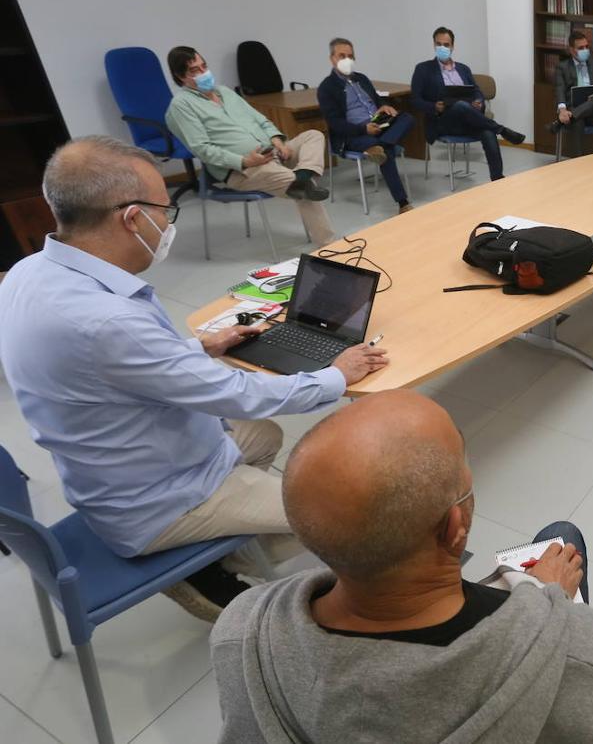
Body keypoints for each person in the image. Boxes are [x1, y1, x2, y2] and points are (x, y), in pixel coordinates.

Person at [0, 137, 390, 620]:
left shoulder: (27, 273)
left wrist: (198, 347)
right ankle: (203, 565)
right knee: (335, 513)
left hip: (115, 467)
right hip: (156, 503)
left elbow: (101, 365)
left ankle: (223, 552)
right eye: (165, 211)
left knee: (264, 438)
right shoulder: (106, 320)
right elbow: (237, 393)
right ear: (132, 218)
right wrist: (335, 375)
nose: (166, 223)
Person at [211, 390, 593, 742]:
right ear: (455, 528)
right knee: (562, 535)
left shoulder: (241, 629)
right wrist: (549, 604)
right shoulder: (581, 649)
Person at [164, 47, 335, 246]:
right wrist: (245, 161)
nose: (204, 73)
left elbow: (261, 120)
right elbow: (203, 149)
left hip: (273, 153)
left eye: (204, 66)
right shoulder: (181, 106)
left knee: (313, 135)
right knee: (303, 187)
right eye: (195, 71)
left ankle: (304, 173)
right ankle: (329, 246)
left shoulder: (225, 91)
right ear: (180, 76)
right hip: (243, 170)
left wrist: (277, 141)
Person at [411, 26, 525, 181]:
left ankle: (498, 178)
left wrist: (478, 102)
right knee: (459, 105)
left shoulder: (463, 69)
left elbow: (477, 92)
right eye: (438, 44)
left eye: (446, 45)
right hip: (442, 121)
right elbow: (415, 100)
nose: (442, 48)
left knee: (487, 132)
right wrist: (433, 107)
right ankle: (502, 130)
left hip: (468, 120)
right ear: (433, 45)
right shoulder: (423, 69)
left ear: (453, 46)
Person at [317, 37, 415, 213]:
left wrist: (384, 106)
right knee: (387, 152)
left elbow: (377, 101)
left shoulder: (361, 79)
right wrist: (364, 129)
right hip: (354, 133)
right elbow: (335, 123)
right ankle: (403, 203)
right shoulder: (326, 87)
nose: (347, 60)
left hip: (378, 126)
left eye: (350, 56)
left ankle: (379, 147)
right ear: (332, 58)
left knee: (406, 117)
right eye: (342, 56)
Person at [550, 29, 593, 158]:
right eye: (581, 48)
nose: (585, 50)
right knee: (577, 121)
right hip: (573, 110)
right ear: (572, 50)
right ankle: (577, 163)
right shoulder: (562, 67)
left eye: (587, 47)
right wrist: (562, 110)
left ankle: (570, 117)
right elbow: (559, 89)